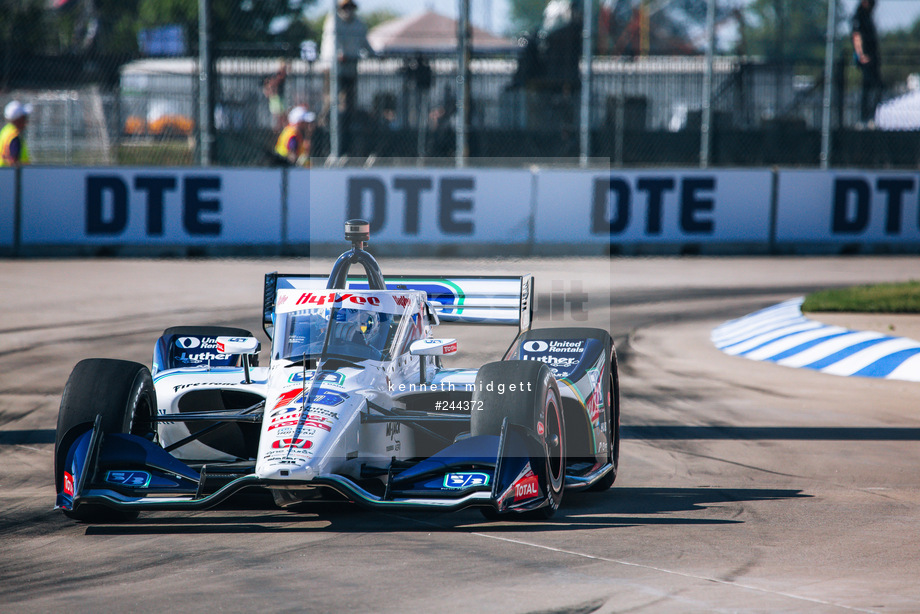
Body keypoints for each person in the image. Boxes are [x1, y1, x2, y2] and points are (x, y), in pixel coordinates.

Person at [321, 0, 374, 153]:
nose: (348, 10)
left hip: (350, 70)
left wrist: (375, 55)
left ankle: (345, 136)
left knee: (349, 106)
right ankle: (325, 126)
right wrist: (339, 54)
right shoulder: (333, 21)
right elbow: (333, 43)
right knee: (330, 101)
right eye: (345, 7)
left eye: (350, 7)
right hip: (332, 69)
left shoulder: (358, 24)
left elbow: (365, 44)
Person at [852, 0, 882, 128]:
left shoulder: (869, 16)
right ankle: (864, 118)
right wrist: (861, 54)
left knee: (877, 87)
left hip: (873, 57)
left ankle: (872, 116)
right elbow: (856, 35)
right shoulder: (859, 16)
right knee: (867, 86)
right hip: (865, 58)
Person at [1, 100, 32, 167]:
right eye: (24, 118)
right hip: (11, 175)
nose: (26, 121)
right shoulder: (14, 136)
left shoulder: (5, 131)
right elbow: (14, 162)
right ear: (18, 120)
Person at [263, 60, 289, 133]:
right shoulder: (276, 77)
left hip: (280, 98)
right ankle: (277, 130)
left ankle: (282, 129)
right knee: (279, 116)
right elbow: (269, 85)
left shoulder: (282, 77)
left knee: (283, 115)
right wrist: (270, 91)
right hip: (276, 99)